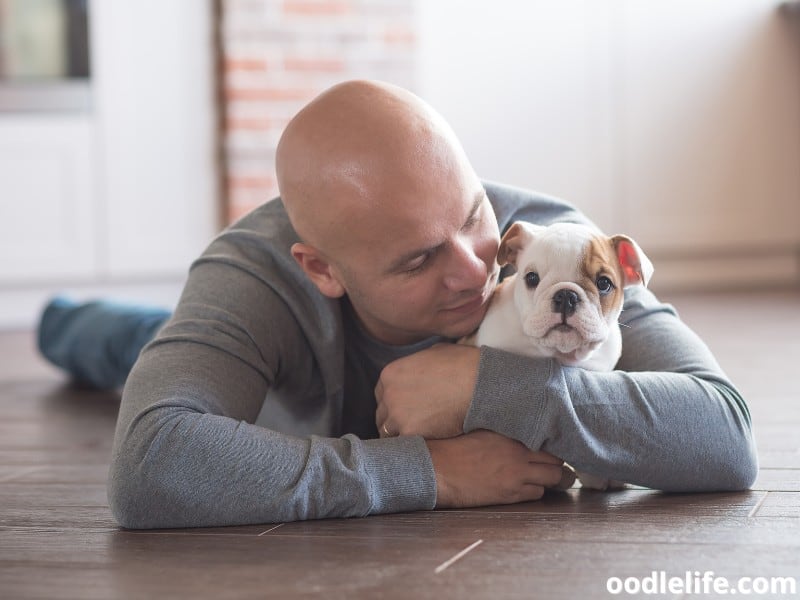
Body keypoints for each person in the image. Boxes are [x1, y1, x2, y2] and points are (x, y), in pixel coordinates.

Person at [38, 80, 757, 529]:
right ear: (322, 268)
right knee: (132, 344)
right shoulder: (250, 273)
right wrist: (429, 473)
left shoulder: (548, 248)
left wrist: (492, 387)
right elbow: (150, 465)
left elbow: (723, 434)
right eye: (419, 258)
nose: (476, 271)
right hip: (253, 386)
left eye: (474, 216)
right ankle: (62, 315)